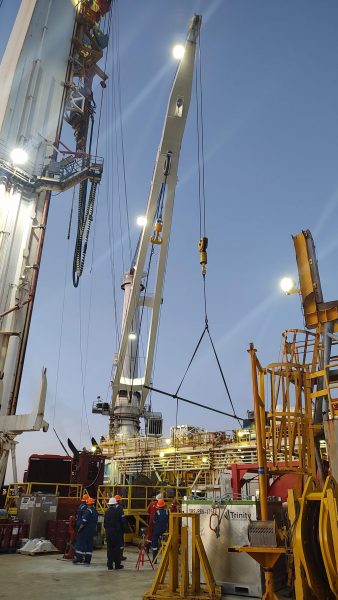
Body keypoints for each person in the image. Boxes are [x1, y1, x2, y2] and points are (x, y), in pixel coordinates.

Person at [73, 497, 98, 565]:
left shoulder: (88, 511)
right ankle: (87, 560)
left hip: (85, 530)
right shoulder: (95, 511)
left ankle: (79, 559)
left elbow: (84, 522)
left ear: (88, 504)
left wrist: (79, 529)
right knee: (89, 544)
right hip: (92, 530)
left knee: (81, 544)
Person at [104, 497, 125, 570]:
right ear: (115, 504)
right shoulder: (118, 512)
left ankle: (109, 565)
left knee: (109, 549)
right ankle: (117, 565)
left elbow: (105, 524)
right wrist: (122, 531)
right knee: (117, 550)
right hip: (117, 534)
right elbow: (123, 522)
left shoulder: (106, 512)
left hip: (109, 533)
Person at [114, 494, 127, 561]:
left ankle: (114, 555)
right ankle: (120, 556)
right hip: (119, 528)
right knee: (120, 543)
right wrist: (124, 527)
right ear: (119, 501)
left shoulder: (111, 507)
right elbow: (123, 519)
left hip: (113, 528)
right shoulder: (120, 508)